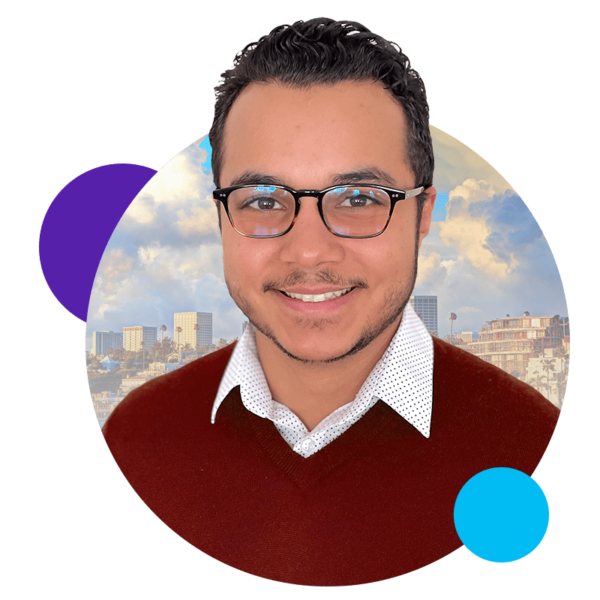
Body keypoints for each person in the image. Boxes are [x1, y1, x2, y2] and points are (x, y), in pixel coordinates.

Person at [102, 18, 560, 586]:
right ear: (221, 217)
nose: (310, 251)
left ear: (423, 216)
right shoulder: (133, 442)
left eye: (360, 198)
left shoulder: (543, 458)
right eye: (264, 201)